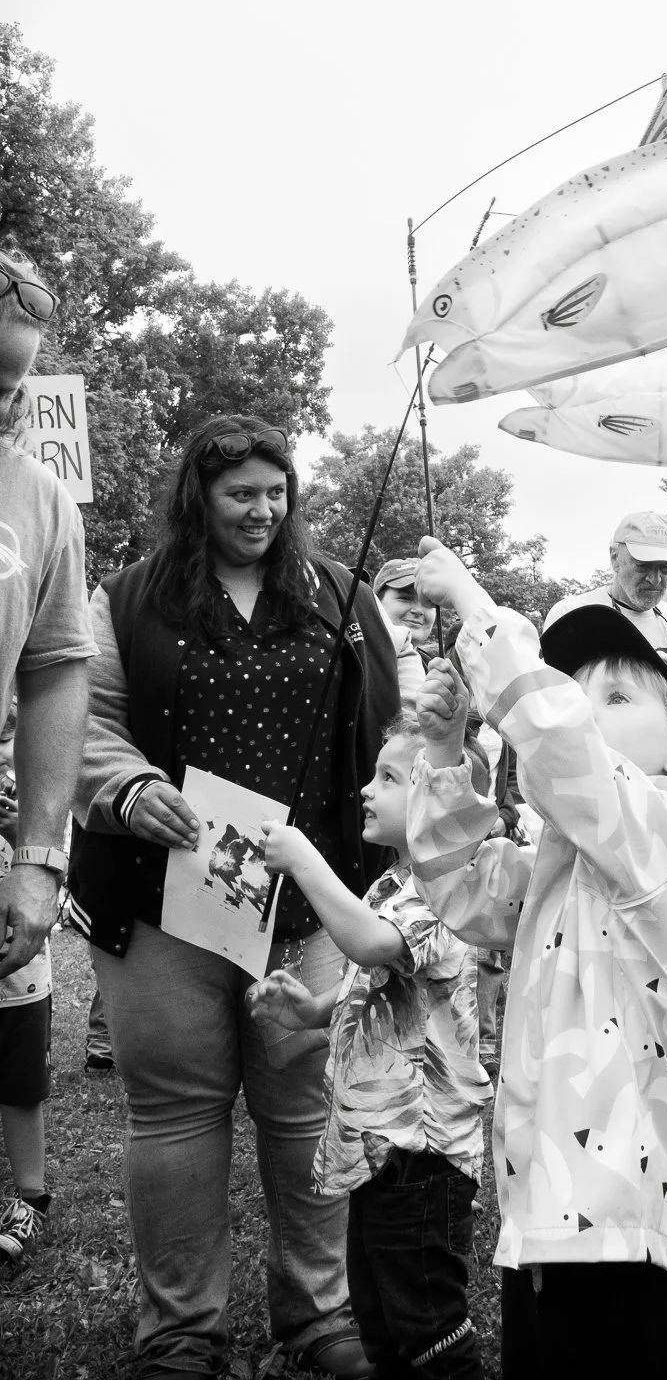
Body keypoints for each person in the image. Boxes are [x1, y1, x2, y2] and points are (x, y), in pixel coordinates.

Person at [66, 414, 399, 1380]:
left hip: (311, 900)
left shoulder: (341, 592)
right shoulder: (129, 598)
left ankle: (321, 1316)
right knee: (174, 1114)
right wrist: (128, 789)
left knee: (308, 1112)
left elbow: (396, 718)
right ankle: (179, 1333)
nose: (262, 510)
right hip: (164, 900)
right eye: (238, 493)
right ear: (197, 498)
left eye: (275, 491)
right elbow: (87, 717)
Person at [407, 540, 667, 1380]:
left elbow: (563, 747)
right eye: (576, 691)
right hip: (547, 1209)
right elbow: (463, 887)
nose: (586, 709)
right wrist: (449, 756)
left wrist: (478, 607)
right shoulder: (573, 852)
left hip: (623, 1222)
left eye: (618, 695)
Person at [248, 710, 491, 1380]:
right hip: (380, 1146)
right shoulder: (392, 883)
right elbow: (376, 981)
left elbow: (373, 943)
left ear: (442, 804)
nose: (366, 788)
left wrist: (303, 860)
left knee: (427, 1324)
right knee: (379, 1313)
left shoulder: (448, 891)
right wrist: (313, 1010)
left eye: (389, 776)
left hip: (423, 1152)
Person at [0, 250, 96, 1265]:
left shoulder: (40, 499)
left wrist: (39, 853)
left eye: (16, 381)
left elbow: (59, 666)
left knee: (11, 1032)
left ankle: (22, 1188)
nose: (5, 401)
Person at [0, 699, 55, 1267]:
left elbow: (52, 858)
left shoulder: (34, 786)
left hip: (18, 977)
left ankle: (31, 1196)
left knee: (19, 1084)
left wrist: (22, 831)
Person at [543, 510, 667, 657]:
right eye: (643, 565)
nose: (655, 579)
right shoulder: (571, 616)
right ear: (615, 558)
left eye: (665, 567)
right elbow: (553, 684)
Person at [373, 556, 437, 708]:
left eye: (428, 602)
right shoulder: (360, 660)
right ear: (376, 603)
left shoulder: (435, 669)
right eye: (405, 598)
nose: (418, 610)